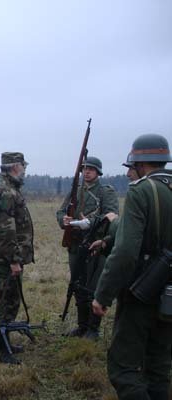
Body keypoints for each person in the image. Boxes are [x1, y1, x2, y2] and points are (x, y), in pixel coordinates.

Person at [93, 133, 172, 400]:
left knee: (123, 368)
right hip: (169, 293)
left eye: (131, 167)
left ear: (141, 164)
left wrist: (103, 295)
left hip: (143, 290)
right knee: (159, 366)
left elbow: (126, 253)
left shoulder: (143, 191)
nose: (128, 174)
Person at [56, 156, 119, 338]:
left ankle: (93, 329)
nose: (87, 171)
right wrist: (64, 220)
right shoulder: (75, 191)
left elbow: (112, 216)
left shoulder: (105, 192)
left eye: (91, 169)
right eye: (85, 168)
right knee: (77, 284)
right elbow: (61, 211)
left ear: (98, 172)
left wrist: (90, 222)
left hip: (95, 245)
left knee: (93, 287)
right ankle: (82, 326)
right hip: (75, 244)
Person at [0, 152, 34, 364]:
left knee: (11, 300)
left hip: (9, 257)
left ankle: (4, 340)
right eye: (23, 166)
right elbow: (4, 230)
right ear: (15, 167)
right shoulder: (5, 191)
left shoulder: (9, 188)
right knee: (5, 301)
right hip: (7, 259)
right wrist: (14, 260)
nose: (25, 170)